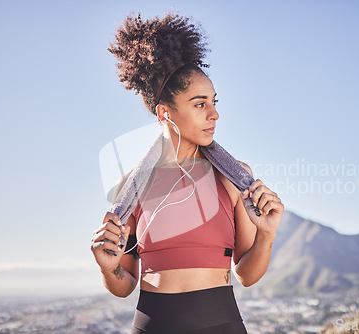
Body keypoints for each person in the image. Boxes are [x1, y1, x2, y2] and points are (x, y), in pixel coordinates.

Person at [90, 12, 284, 334]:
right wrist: (107, 268)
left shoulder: (235, 177)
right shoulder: (131, 188)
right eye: (199, 104)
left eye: (214, 101)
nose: (215, 113)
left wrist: (267, 233)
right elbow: (124, 285)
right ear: (165, 112)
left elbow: (247, 275)